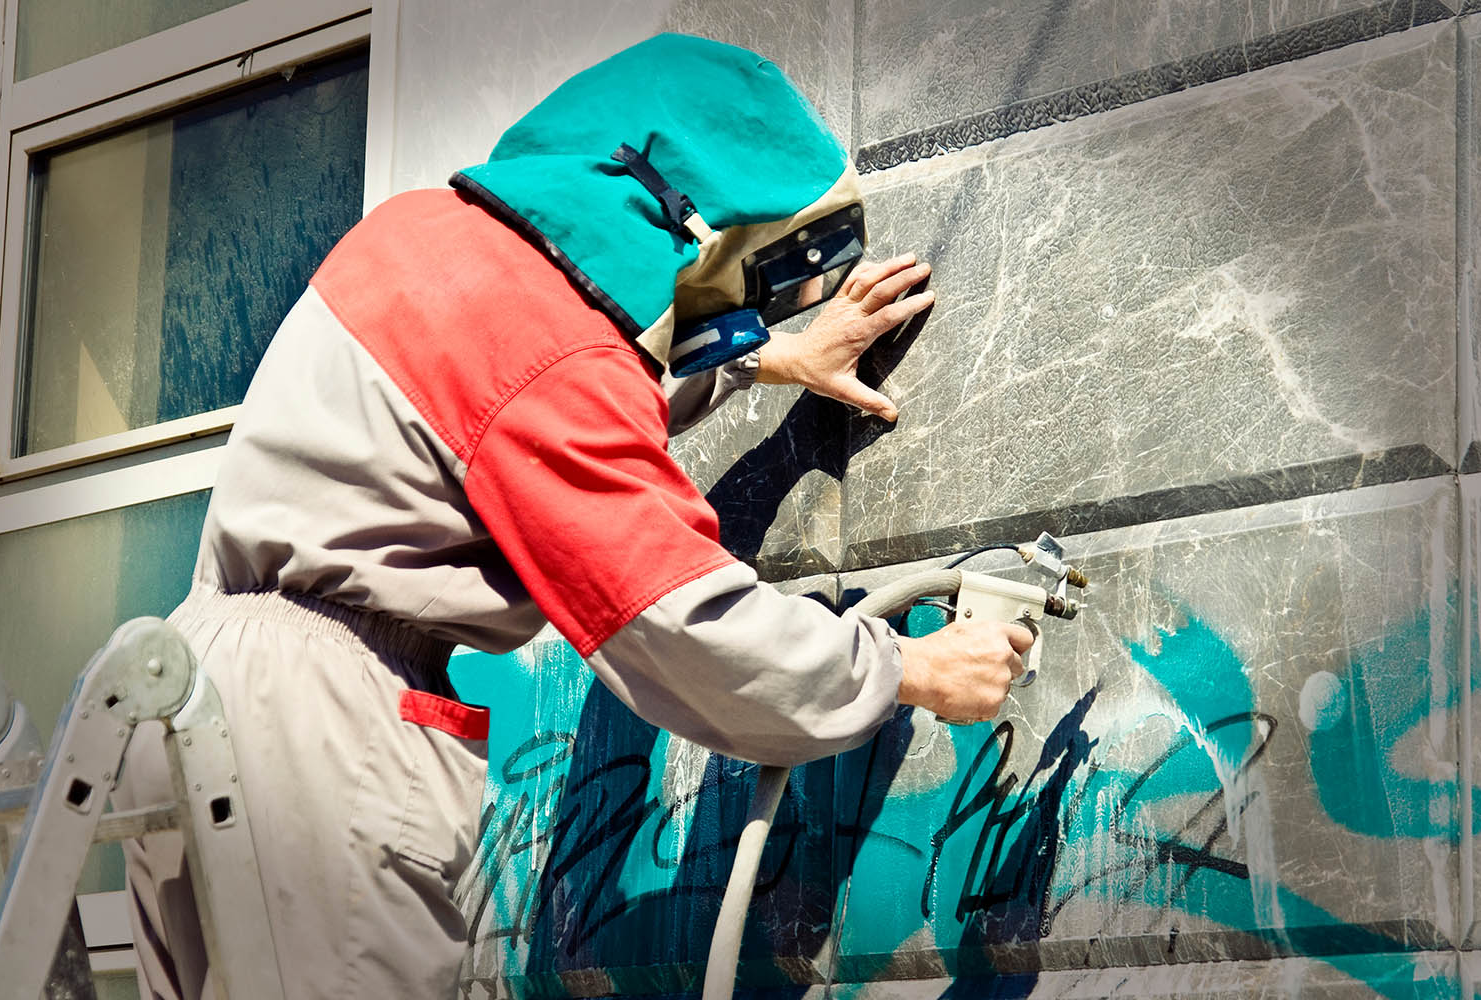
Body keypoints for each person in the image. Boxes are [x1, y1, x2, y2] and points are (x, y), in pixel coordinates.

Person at [114, 33, 1034, 1000]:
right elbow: (678, 619)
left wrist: (779, 359)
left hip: (191, 692)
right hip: (314, 736)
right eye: (754, 271)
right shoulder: (544, 353)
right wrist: (907, 669)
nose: (754, 308)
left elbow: (532, 400)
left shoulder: (428, 236)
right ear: (687, 223)